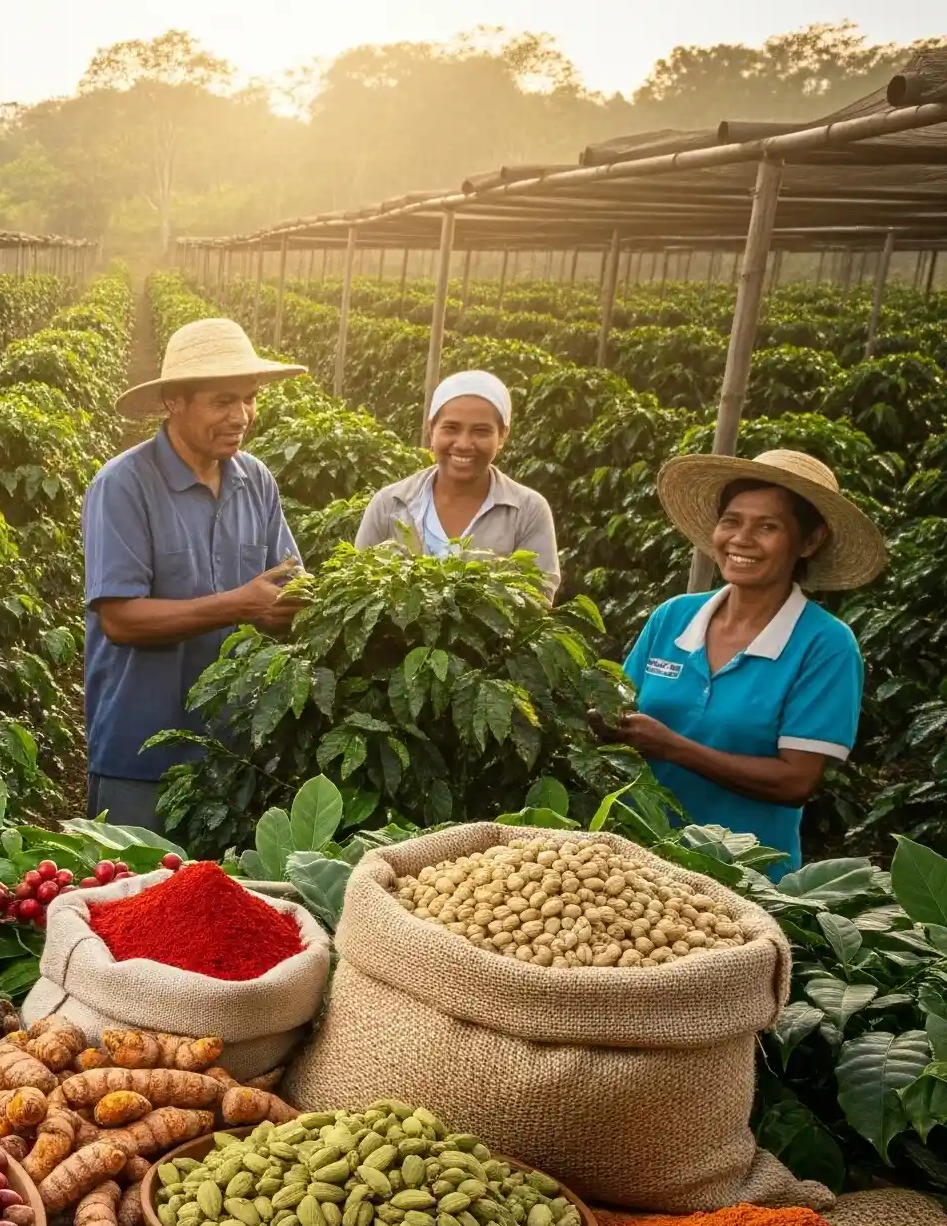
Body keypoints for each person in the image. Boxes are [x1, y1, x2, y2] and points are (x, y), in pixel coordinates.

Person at [608, 449, 884, 876]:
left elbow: (795, 781)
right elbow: (618, 711)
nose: (741, 539)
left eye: (768, 526)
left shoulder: (825, 644)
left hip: (743, 878)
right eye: (731, 521)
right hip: (634, 863)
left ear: (810, 541)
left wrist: (673, 748)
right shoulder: (673, 617)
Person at [80, 318, 307, 830]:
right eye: (223, 401)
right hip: (141, 753)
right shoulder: (123, 486)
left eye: (249, 399)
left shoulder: (256, 480)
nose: (241, 416)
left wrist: (288, 606)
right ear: (174, 401)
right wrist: (241, 605)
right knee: (134, 879)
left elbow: (287, 580)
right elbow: (120, 619)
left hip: (237, 749)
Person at [355, 370, 562, 590]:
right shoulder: (389, 505)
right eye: (451, 428)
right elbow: (356, 588)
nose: (463, 444)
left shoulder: (528, 511)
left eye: (481, 431)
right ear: (431, 429)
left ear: (502, 435)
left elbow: (535, 598)